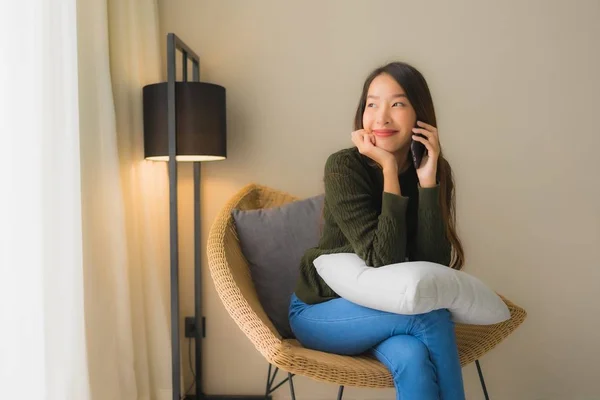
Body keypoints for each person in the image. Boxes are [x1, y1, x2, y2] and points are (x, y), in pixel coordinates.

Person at [288, 62, 467, 400]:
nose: (381, 117)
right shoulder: (343, 166)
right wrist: (388, 168)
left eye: (397, 104)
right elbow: (380, 261)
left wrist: (427, 183)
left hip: (389, 313)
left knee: (413, 357)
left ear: (420, 115)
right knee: (430, 317)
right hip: (322, 311)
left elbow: (433, 267)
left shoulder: (433, 170)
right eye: (372, 104)